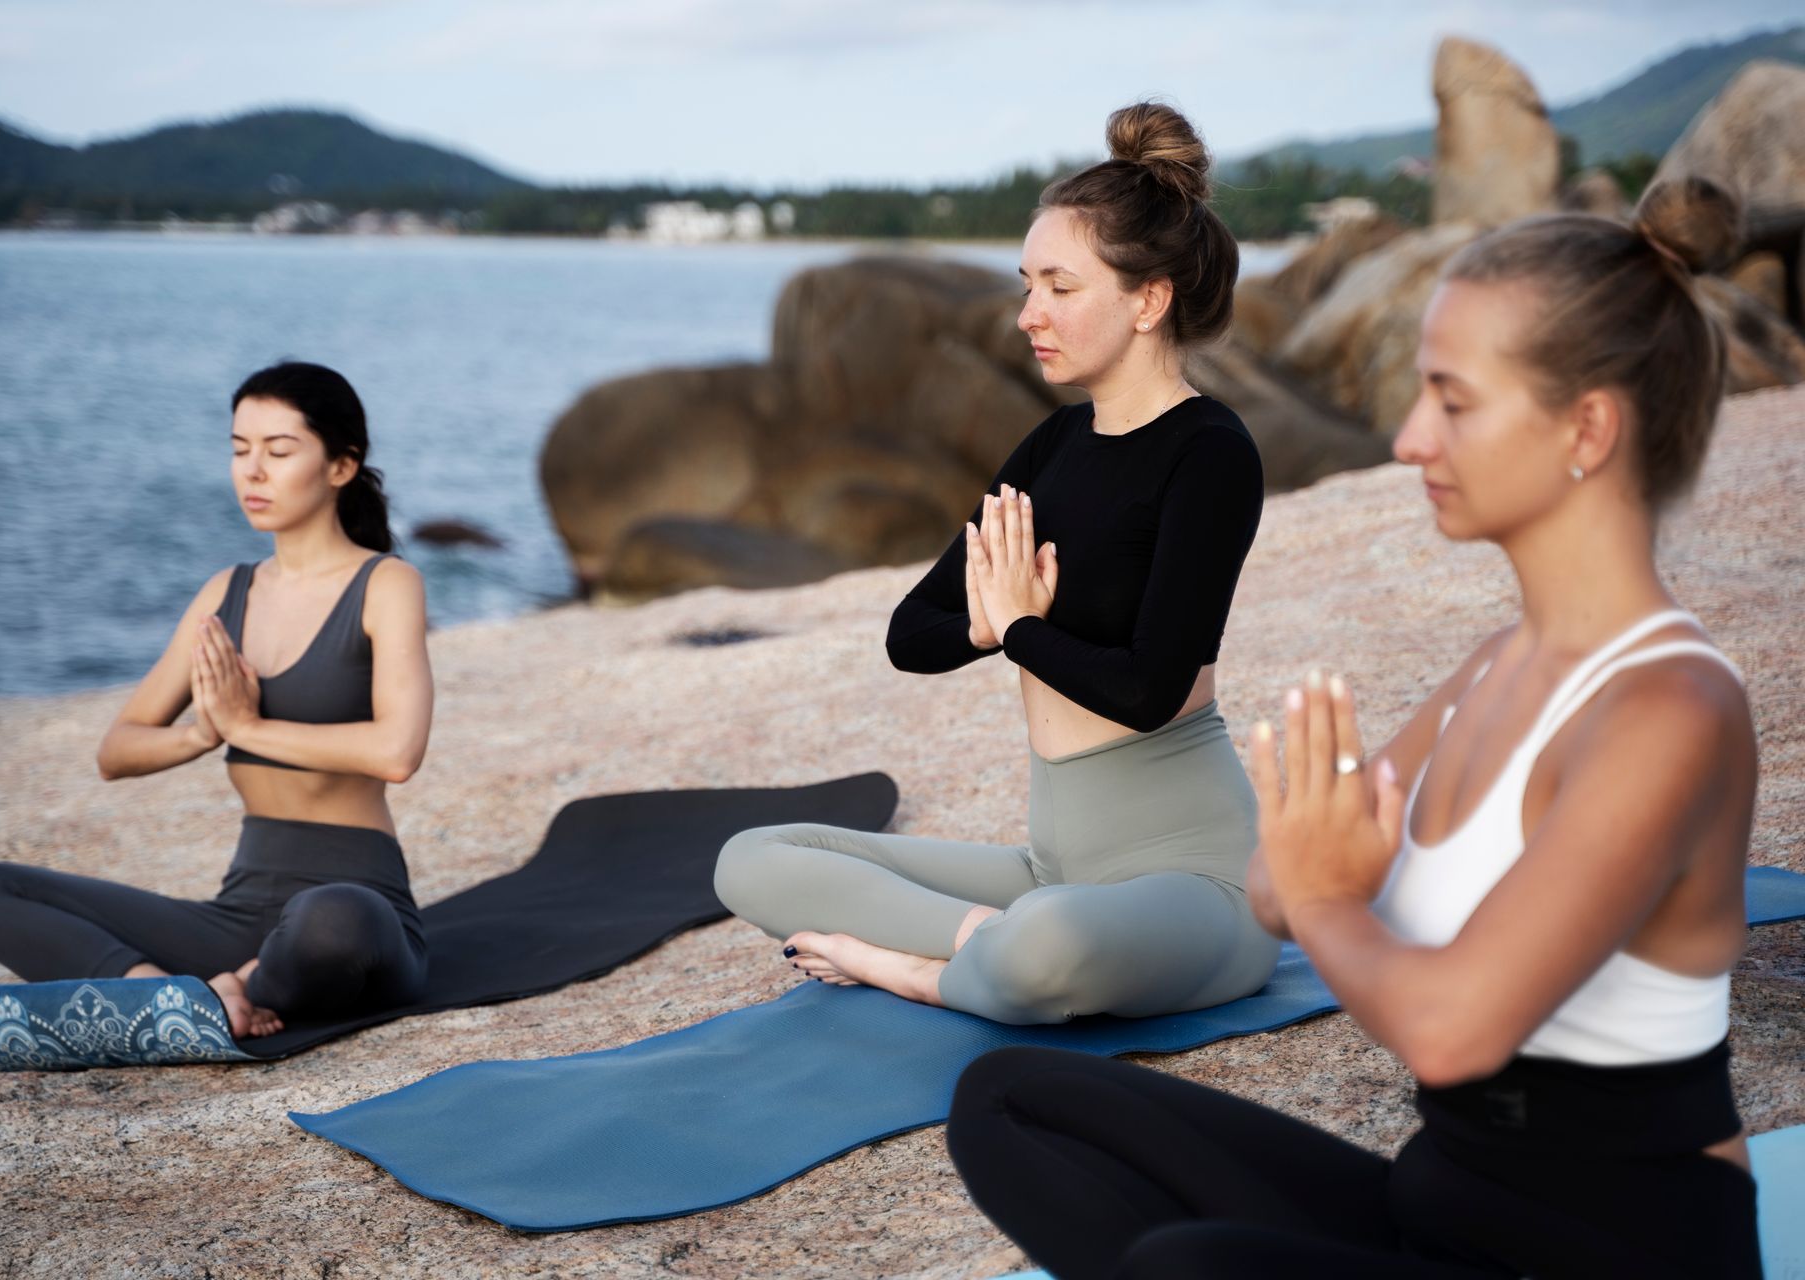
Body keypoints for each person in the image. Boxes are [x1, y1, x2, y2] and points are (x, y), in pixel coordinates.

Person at [946, 176, 1762, 1278]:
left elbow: (1449, 1026)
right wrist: (1308, 862)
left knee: (1187, 1265)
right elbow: (1279, 889)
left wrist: (1326, 889)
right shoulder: (1496, 666)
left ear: (1589, 428)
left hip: (1600, 1252)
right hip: (1440, 1205)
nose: (1411, 435)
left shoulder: (1671, 708)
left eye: (1453, 400)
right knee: (1011, 1102)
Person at [713, 102, 1279, 1024]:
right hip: (1046, 870)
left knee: (1050, 942)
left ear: (1149, 298)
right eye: (1027, 285)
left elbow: (1148, 687)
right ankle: (987, 944)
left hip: (1195, 882)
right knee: (751, 859)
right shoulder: (1054, 446)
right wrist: (983, 624)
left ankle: (914, 967)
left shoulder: (1210, 453)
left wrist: (1018, 626)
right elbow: (912, 635)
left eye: (1059, 287)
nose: (1028, 316)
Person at [0, 362, 434, 1040]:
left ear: (341, 466)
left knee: (332, 922)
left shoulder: (385, 584)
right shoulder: (225, 595)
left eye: (279, 451)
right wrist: (203, 734)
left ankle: (246, 987)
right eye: (240, 449)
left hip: (356, 906)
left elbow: (397, 752)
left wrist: (249, 725)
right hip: (237, 914)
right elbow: (117, 751)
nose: (252, 472)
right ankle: (164, 995)